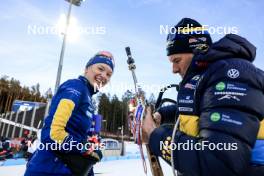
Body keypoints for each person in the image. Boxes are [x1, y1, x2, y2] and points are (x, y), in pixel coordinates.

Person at [142, 18, 264, 176]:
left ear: (198, 50)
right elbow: (202, 107)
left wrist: (155, 135)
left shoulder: (232, 74)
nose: (173, 69)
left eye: (177, 60)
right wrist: (162, 115)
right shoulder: (208, 75)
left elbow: (218, 163)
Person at [24, 51, 115, 176]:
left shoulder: (88, 97)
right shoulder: (75, 87)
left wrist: (91, 147)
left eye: (109, 74)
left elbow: (79, 136)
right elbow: (53, 134)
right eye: (100, 68)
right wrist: (84, 148)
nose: (104, 76)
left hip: (69, 168)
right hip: (50, 168)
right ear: (87, 69)